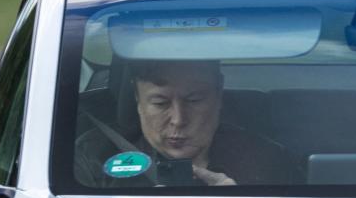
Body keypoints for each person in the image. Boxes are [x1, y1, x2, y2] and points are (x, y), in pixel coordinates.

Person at [75, 60, 293, 187]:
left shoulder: (265, 161)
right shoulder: (93, 157)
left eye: (194, 100)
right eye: (160, 103)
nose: (178, 120)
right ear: (137, 100)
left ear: (218, 95)